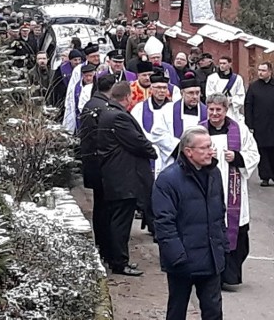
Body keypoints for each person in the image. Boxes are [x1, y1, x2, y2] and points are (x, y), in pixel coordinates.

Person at [152, 126, 228, 320]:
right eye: (204, 148)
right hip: (182, 262)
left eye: (210, 146)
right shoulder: (168, 180)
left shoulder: (215, 173)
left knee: (213, 312)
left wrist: (222, 245)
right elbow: (164, 223)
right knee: (177, 312)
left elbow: (220, 212)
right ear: (188, 151)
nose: (210, 151)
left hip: (210, 258)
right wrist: (178, 257)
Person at [97, 81, 157, 276]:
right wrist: (152, 151)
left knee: (117, 219)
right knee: (121, 222)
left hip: (117, 176)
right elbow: (137, 142)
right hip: (123, 178)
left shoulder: (108, 112)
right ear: (126, 97)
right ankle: (119, 262)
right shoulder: (119, 117)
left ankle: (116, 258)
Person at [200, 93, 260, 289]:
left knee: (236, 232)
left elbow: (253, 153)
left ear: (226, 111)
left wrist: (237, 157)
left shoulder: (239, 130)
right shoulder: (198, 130)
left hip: (233, 189)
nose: (215, 113)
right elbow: (185, 152)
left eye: (219, 109)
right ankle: (209, 275)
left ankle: (230, 276)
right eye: (211, 109)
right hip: (206, 188)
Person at [78, 75, 116, 261]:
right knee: (105, 209)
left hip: (92, 164)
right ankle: (106, 247)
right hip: (102, 166)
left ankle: (102, 244)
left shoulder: (91, 105)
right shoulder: (103, 108)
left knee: (100, 206)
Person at [244, 62, 274, 186]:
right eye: (259, 70)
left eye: (263, 70)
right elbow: (248, 105)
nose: (260, 73)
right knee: (262, 151)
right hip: (259, 124)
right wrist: (249, 124)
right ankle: (264, 176)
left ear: (270, 72)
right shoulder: (254, 87)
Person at [151, 74, 209, 173]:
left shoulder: (207, 112)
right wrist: (180, 149)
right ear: (182, 93)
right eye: (190, 93)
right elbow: (157, 132)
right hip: (174, 160)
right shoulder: (168, 110)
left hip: (200, 161)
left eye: (197, 93)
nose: (195, 96)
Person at [205, 56, 245, 122]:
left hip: (231, 110)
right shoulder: (212, 78)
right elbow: (209, 94)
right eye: (220, 63)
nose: (222, 65)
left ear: (230, 64)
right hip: (216, 109)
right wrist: (218, 102)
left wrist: (232, 100)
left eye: (224, 63)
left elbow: (241, 95)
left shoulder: (238, 79)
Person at [62, 63, 96, 132]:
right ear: (82, 75)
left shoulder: (97, 87)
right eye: (86, 76)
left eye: (90, 75)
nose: (88, 78)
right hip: (79, 117)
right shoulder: (77, 87)